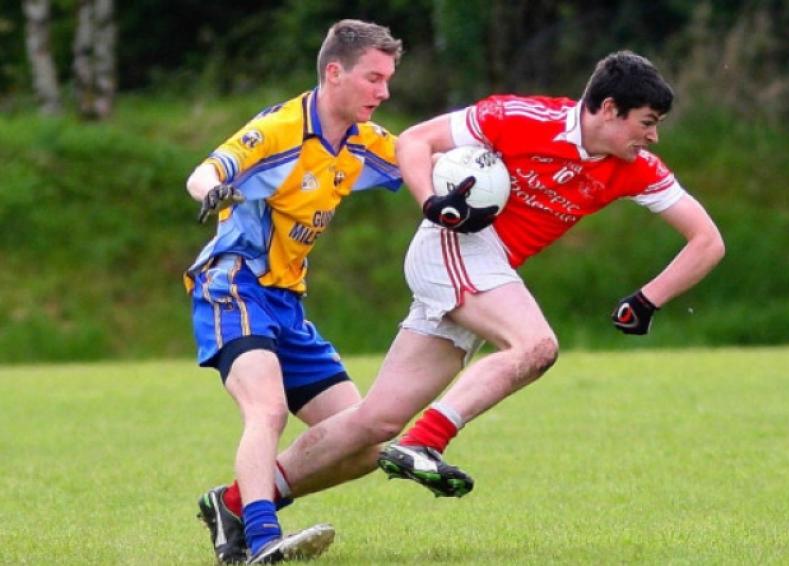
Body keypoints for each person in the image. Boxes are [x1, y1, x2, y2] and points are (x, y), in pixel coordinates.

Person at [262, 50, 726, 504]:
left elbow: (707, 240)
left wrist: (648, 299)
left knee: (376, 423)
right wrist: (430, 202)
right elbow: (414, 141)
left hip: (488, 269)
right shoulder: (522, 117)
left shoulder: (634, 168)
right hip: (456, 244)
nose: (654, 137)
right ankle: (425, 441)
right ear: (609, 109)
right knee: (536, 346)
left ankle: (242, 503)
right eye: (647, 122)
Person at [184, 19, 403, 564]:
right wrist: (214, 192)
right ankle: (260, 541)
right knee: (268, 411)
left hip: (287, 302)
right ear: (335, 72)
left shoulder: (363, 141)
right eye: (374, 78)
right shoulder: (281, 128)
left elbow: (424, 163)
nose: (384, 92)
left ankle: (234, 504)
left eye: (387, 80)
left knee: (365, 441)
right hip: (233, 284)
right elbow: (205, 171)